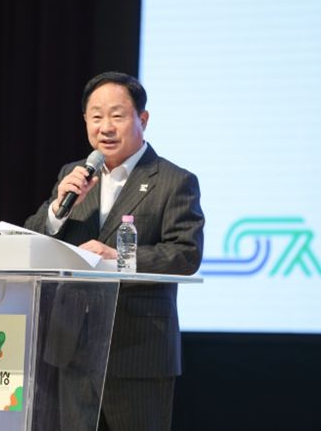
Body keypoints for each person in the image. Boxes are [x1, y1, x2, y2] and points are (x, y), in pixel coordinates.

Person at [25, 71, 204, 431]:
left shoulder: (174, 181)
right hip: (72, 346)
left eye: (117, 115)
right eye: (96, 116)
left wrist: (117, 259)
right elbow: (33, 238)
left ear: (143, 119)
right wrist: (58, 210)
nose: (105, 126)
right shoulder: (74, 176)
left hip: (138, 349)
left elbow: (185, 254)